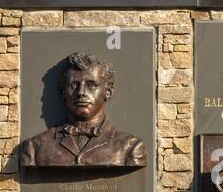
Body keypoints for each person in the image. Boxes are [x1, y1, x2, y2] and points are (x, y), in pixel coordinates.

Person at [19, 52, 147, 168]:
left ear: (108, 92)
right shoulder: (35, 147)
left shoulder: (130, 147)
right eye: (73, 85)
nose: (81, 93)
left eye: (92, 85)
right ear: (63, 92)